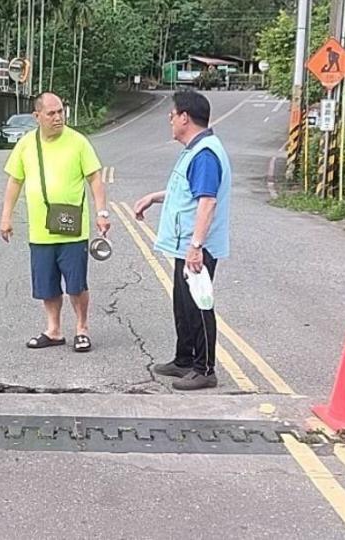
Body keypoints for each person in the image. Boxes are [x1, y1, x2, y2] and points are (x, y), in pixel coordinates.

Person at [133, 91, 232, 390]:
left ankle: (204, 369)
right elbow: (187, 193)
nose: (170, 120)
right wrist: (154, 197)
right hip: (186, 245)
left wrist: (196, 246)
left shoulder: (204, 154)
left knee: (198, 306)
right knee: (183, 305)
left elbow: (207, 202)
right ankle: (184, 359)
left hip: (197, 247)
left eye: (172, 115)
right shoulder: (195, 149)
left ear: (185, 117)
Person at [0, 92, 111, 353]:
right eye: (51, 113)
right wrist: (6, 216)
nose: (58, 117)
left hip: (73, 229)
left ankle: (82, 329)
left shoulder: (78, 142)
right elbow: (15, 181)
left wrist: (102, 212)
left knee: (76, 283)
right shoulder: (26, 145)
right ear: (37, 116)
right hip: (41, 231)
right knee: (47, 284)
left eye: (60, 111)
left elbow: (95, 178)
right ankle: (54, 330)